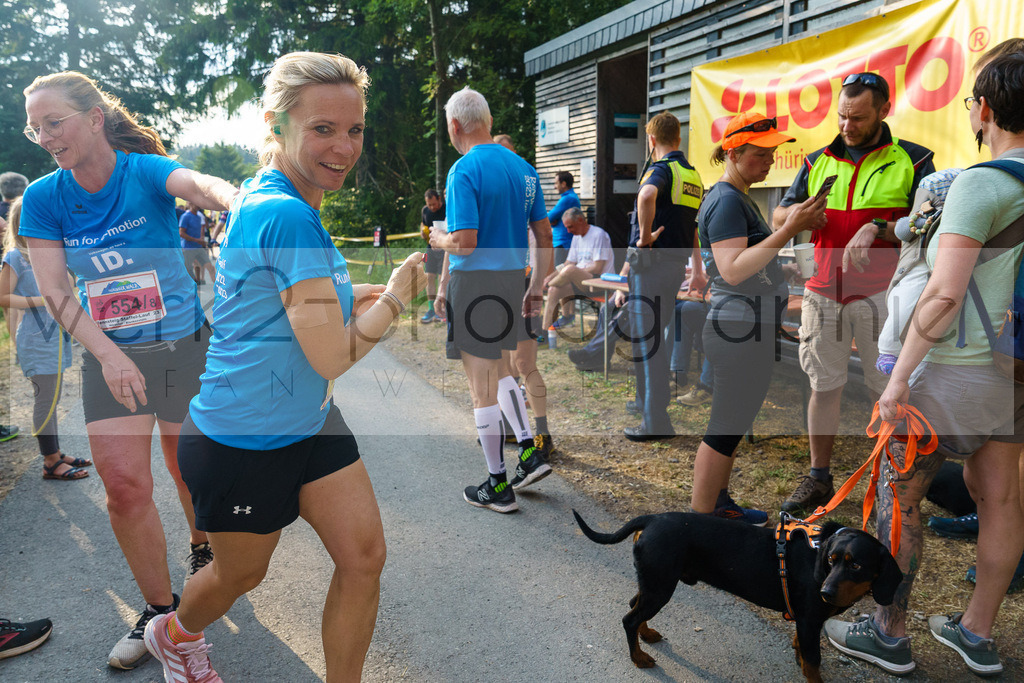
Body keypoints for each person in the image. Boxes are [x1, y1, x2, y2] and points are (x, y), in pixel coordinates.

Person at [141, 51, 423, 683]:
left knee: (363, 556)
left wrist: (354, 300)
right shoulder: (286, 211)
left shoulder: (282, 197)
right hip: (243, 436)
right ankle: (176, 634)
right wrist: (401, 292)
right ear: (276, 123)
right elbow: (333, 353)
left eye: (354, 130)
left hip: (310, 419)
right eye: (322, 129)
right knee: (241, 573)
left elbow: (285, 304)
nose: (344, 147)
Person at [19, 70, 236, 670]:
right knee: (123, 489)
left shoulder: (142, 173)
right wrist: (110, 355)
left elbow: (197, 183)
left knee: (187, 468)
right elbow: (58, 292)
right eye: (35, 128)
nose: (44, 136)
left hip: (185, 345)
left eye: (53, 122)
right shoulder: (43, 198)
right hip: (110, 355)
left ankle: (201, 551)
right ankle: (161, 615)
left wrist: (233, 198)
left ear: (93, 119)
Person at [824, 49, 1024, 678]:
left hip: (952, 372)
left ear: (984, 109)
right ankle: (976, 633)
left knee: (897, 496)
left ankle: (888, 632)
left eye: (971, 102)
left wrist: (900, 376)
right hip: (1012, 371)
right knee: (1001, 500)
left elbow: (942, 293)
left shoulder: (982, 183)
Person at [773, 72, 935, 515]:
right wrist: (798, 216)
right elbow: (779, 215)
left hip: (886, 296)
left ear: (883, 111)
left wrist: (879, 228)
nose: (847, 126)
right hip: (823, 291)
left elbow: (932, 228)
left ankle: (893, 482)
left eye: (858, 118)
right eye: (842, 116)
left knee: (887, 389)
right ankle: (819, 477)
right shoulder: (816, 160)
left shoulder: (916, 161)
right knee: (824, 385)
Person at [690, 112, 826, 524]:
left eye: (772, 153)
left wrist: (776, 270)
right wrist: (790, 230)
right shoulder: (729, 199)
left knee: (733, 424)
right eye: (759, 154)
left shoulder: (734, 195)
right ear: (732, 152)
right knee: (725, 426)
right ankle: (700, 520)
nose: (769, 161)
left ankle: (719, 503)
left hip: (746, 324)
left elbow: (741, 262)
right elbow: (731, 269)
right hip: (738, 327)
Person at [431, 86, 554, 513]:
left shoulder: (463, 170)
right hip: (512, 280)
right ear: (486, 118)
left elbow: (464, 242)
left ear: (455, 125)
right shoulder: (523, 167)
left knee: (479, 386)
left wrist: (438, 238)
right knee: (503, 373)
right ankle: (528, 451)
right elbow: (544, 235)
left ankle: (496, 485)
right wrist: (537, 284)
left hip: (477, 283)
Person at [622, 111, 704, 442]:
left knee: (648, 343)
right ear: (679, 138)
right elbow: (693, 225)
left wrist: (643, 238)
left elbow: (645, 196)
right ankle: (646, 402)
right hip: (674, 267)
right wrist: (698, 268)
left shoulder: (660, 170)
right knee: (656, 338)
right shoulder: (692, 175)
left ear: (651, 140)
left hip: (651, 266)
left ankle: (655, 421)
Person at [0, 198, 83, 480]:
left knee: (54, 396)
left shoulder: (52, 252)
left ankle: (56, 452)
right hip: (36, 340)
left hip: (57, 338)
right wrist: (43, 300)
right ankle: (50, 461)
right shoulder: (15, 257)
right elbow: (3, 297)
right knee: (45, 399)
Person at [540, 207, 613, 332]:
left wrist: (574, 271)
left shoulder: (598, 234)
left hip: (600, 282)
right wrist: (549, 277)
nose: (568, 231)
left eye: (570, 227)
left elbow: (598, 267)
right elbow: (568, 262)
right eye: (566, 228)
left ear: (580, 220)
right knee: (553, 290)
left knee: (570, 270)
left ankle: (542, 287)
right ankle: (544, 332)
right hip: (581, 283)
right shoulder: (576, 237)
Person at [1, 170, 29, 443]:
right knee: (12, 308)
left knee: (12, 311)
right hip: (11, 274)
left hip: (10, 275)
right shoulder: (20, 212)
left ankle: (19, 346)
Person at [546, 170, 581, 327]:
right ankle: (568, 315)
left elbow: (548, 218)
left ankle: (567, 315)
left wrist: (553, 221)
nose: (555, 186)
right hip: (563, 243)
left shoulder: (567, 199)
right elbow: (552, 219)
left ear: (563, 184)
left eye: (556, 183)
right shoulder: (568, 198)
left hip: (564, 244)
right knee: (562, 278)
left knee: (561, 279)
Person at [419, 188, 446, 323]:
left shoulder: (446, 209)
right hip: (431, 247)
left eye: (433, 204)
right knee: (429, 277)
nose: (431, 207)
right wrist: (422, 232)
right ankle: (431, 309)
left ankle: (440, 310)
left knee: (442, 278)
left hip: (445, 248)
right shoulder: (425, 210)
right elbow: (423, 224)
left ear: (439, 200)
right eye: (429, 204)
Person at [179, 201, 209, 284]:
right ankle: (190, 283)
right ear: (190, 203)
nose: (198, 206)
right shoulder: (185, 217)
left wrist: (201, 240)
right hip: (187, 247)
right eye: (196, 203)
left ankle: (197, 280)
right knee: (188, 267)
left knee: (198, 264)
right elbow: (181, 233)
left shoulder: (199, 217)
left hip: (197, 246)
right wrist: (196, 240)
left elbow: (199, 231)